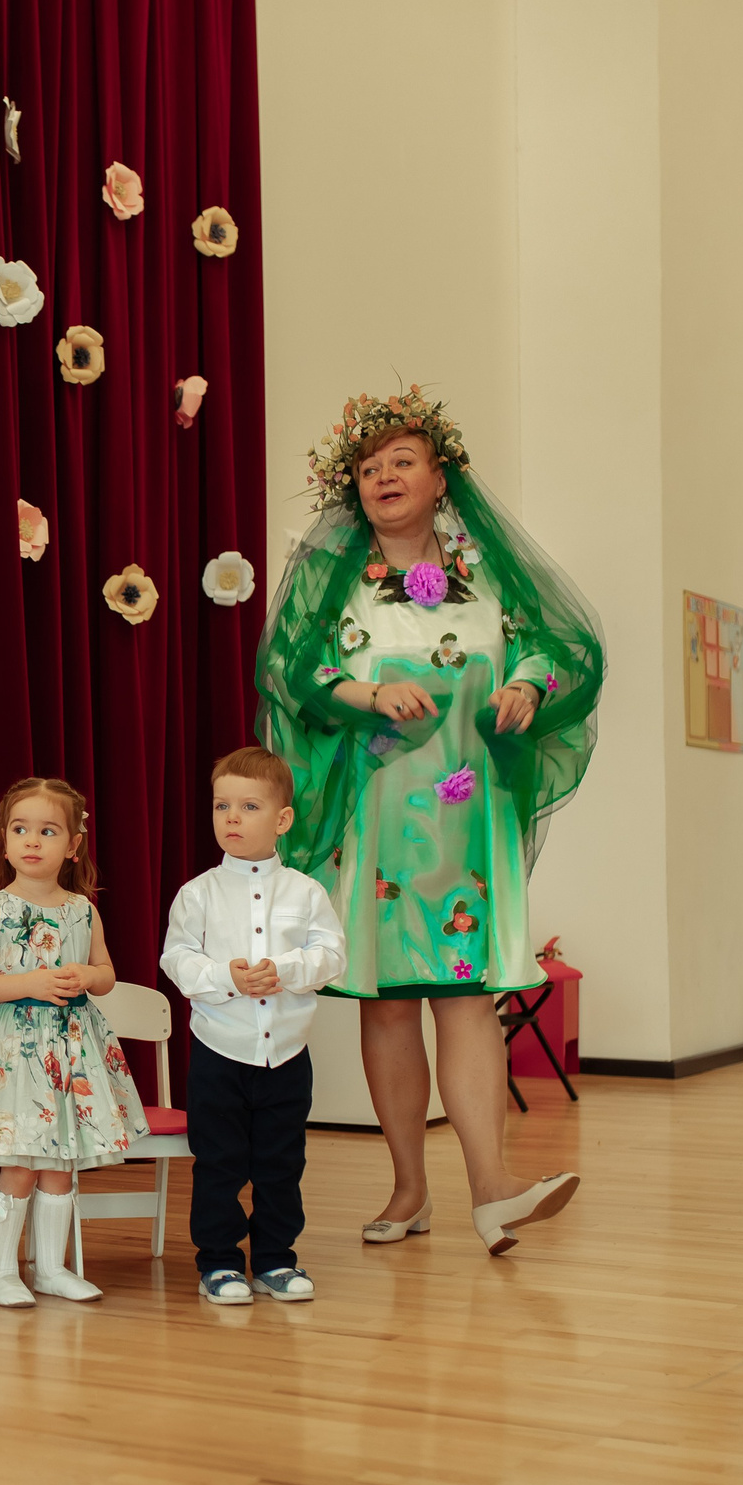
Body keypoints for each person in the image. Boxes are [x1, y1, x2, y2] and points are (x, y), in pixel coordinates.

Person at [259, 387, 602, 1253]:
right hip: (376, 817)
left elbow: (551, 647)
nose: (384, 476)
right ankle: (409, 1187)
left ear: (440, 476)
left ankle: (492, 1188)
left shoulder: (489, 574)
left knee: (468, 997)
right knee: (386, 1006)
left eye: (402, 461)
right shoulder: (336, 582)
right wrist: (366, 692)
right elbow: (294, 668)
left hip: (469, 818)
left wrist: (527, 684)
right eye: (369, 468)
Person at [0, 777, 151, 1307]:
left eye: (48, 831)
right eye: (20, 829)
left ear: (73, 845)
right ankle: (2, 1271)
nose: (32, 841)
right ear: (5, 840)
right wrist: (27, 984)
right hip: (16, 1052)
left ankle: (51, 1268)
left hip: (72, 1051)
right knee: (19, 1160)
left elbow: (107, 973)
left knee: (59, 1162)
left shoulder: (83, 909)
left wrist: (87, 975)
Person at [159, 746, 346, 1303]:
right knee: (219, 1163)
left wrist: (285, 970)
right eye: (222, 806)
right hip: (219, 1052)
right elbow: (177, 959)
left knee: (281, 1163)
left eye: (248, 806)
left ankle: (275, 1260)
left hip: (286, 1054)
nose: (232, 818)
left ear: (282, 819)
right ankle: (218, 1262)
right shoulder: (197, 893)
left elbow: (332, 956)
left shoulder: (307, 892)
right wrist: (226, 977)